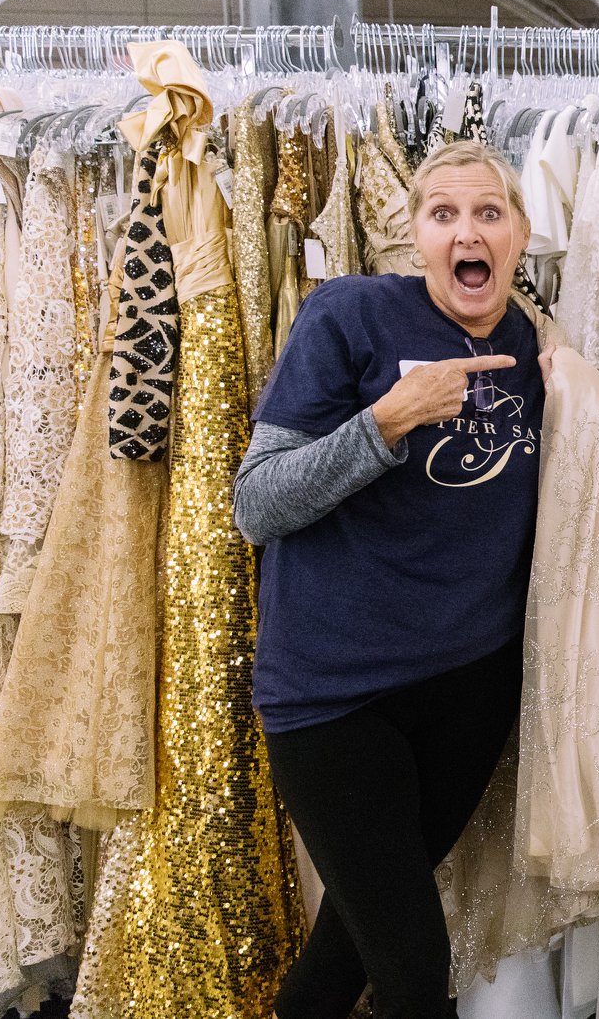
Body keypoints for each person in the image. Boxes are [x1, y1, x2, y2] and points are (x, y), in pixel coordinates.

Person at [234, 139, 546, 1019]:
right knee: (413, 972)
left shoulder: (532, 342)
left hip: (467, 689)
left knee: (346, 953)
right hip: (334, 696)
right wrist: (384, 422)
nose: (467, 232)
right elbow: (257, 504)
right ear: (416, 235)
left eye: (488, 212)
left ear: (520, 235)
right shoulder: (350, 314)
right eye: (443, 214)